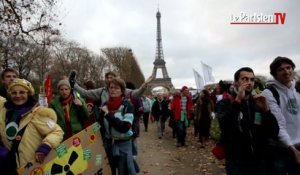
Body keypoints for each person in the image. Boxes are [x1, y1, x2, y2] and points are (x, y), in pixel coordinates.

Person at [218, 67, 279, 175]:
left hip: (258, 161)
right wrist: (237, 101)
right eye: (245, 79)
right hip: (236, 161)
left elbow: (274, 132)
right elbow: (225, 126)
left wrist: (266, 111)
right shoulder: (226, 103)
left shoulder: (258, 102)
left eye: (252, 79)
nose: (249, 82)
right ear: (236, 82)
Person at [0, 78, 64, 174]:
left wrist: (46, 146)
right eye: (14, 93)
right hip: (9, 168)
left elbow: (57, 131)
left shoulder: (37, 113)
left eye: (22, 92)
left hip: (32, 168)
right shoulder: (4, 112)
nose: (18, 95)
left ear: (28, 94)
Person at [261, 57, 300, 175]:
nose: (286, 71)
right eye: (281, 69)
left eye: (288, 67)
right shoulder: (269, 93)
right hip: (280, 149)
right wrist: (292, 148)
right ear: (275, 74)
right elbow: (278, 123)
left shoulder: (298, 89)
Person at [100, 78, 137, 175]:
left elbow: (124, 128)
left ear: (122, 91)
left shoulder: (128, 105)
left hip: (124, 144)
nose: (113, 90)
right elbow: (101, 125)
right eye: (111, 87)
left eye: (116, 88)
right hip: (108, 144)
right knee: (110, 172)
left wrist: (108, 114)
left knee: (123, 172)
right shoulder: (104, 105)